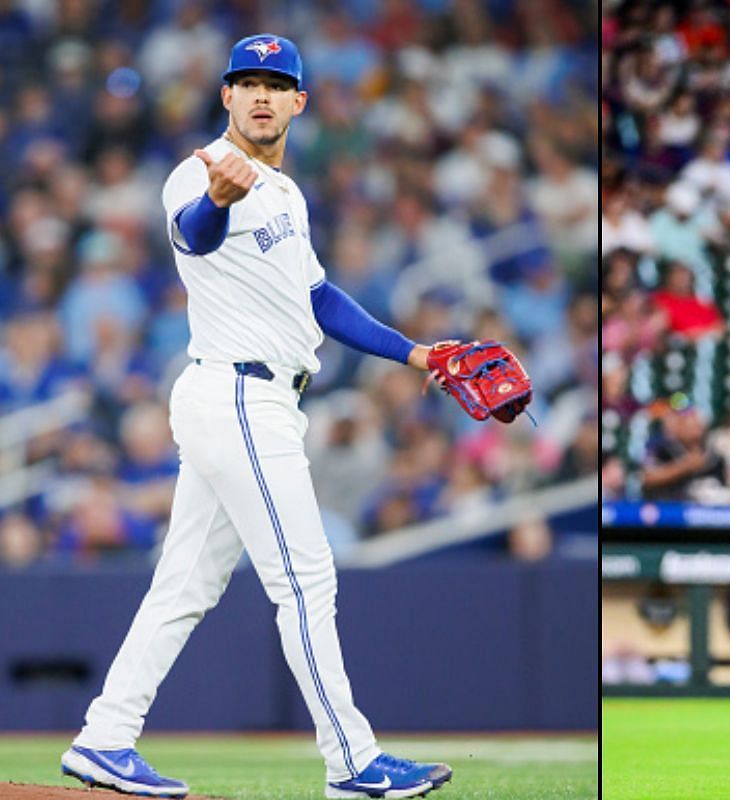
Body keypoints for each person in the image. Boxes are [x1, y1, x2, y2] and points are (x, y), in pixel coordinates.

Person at [60, 35, 453, 799]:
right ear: (227, 97)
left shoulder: (286, 194)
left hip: (251, 398)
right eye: (248, 82)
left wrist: (416, 355)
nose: (263, 95)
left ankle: (104, 739)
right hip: (239, 395)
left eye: (278, 83)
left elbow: (319, 298)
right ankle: (353, 763)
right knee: (306, 580)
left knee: (183, 587)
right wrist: (217, 198)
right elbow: (190, 236)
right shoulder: (202, 171)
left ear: (300, 101)